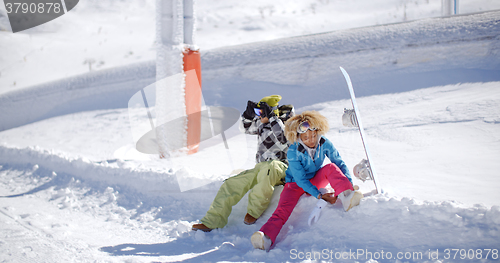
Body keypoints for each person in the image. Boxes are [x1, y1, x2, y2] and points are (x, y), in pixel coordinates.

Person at [250, 110, 363, 251]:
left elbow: (339, 163)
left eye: (313, 135)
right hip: (295, 185)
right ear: (298, 136)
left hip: (315, 179)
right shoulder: (293, 151)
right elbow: (301, 180)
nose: (311, 140)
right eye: (306, 137)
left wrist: (349, 184)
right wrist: (319, 195)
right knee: (282, 210)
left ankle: (347, 197)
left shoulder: (324, 143)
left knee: (331, 167)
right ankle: (265, 237)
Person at [192, 95, 294, 232]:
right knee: (231, 184)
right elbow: (245, 128)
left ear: (272, 111)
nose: (259, 116)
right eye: (257, 113)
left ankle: (254, 211)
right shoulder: (261, 124)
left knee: (269, 168)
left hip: (280, 167)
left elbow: (283, 138)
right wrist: (248, 115)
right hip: (261, 167)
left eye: (261, 112)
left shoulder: (289, 124)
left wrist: (272, 118)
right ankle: (212, 221)